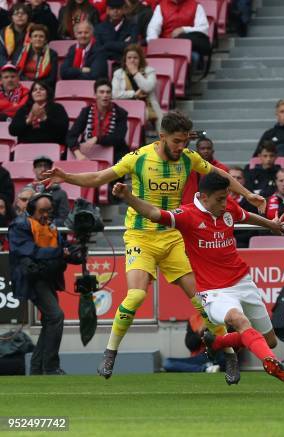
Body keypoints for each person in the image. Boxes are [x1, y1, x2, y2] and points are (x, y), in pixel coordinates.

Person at [42, 111, 266, 382]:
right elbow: (100, 177)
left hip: (173, 237)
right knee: (135, 297)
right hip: (140, 236)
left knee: (203, 301)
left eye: (185, 141)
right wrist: (66, 177)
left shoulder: (188, 158)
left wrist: (247, 194)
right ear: (162, 137)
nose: (182, 146)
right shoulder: (138, 158)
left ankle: (229, 356)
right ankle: (110, 353)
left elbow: (218, 174)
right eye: (176, 141)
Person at [112, 172, 284, 382]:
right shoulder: (187, 215)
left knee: (269, 340)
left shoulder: (227, 208)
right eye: (220, 199)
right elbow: (154, 213)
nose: (225, 204)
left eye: (226, 198)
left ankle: (217, 343)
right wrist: (128, 198)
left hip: (243, 282)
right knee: (239, 320)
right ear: (204, 197)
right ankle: (271, 362)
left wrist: (271, 225)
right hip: (213, 292)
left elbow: (245, 215)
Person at [8, 193, 79, 375]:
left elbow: (61, 248)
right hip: (32, 278)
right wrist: (59, 253)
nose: (46, 214)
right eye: (42, 211)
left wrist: (73, 253)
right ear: (31, 210)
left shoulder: (52, 227)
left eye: (49, 211)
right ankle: (51, 366)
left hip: (48, 277)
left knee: (50, 320)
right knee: (56, 316)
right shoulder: (20, 225)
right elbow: (30, 251)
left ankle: (37, 368)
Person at [66, 78, 128, 163]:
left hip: (115, 151)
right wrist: (78, 154)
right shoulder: (86, 111)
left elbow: (119, 137)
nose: (105, 95)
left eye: (108, 92)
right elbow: (71, 135)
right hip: (89, 150)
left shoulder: (120, 113)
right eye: (101, 92)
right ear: (95, 95)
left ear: (111, 95)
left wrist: (97, 139)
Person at [146, 0, 211, 70]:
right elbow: (153, 29)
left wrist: (183, 29)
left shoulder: (196, 6)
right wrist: (154, 45)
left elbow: (203, 29)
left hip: (187, 48)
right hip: (166, 47)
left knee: (194, 57)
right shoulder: (161, 6)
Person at [112, 44, 163, 132]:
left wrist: (135, 73)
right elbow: (114, 94)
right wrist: (134, 94)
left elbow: (147, 87)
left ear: (140, 59)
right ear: (125, 59)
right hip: (124, 106)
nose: (132, 60)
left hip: (147, 106)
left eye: (135, 58)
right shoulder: (118, 73)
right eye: (129, 58)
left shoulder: (149, 71)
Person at [9, 80, 69, 145]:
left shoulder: (57, 108)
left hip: (51, 147)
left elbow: (63, 129)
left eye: (42, 89)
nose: (38, 91)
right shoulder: (24, 109)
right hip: (26, 148)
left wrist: (45, 118)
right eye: (34, 90)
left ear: (48, 92)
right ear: (31, 94)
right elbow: (12, 131)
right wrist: (28, 120)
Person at [181, 134, 229, 203]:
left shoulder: (221, 168)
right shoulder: (188, 166)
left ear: (213, 151)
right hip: (188, 205)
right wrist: (185, 140)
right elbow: (177, 153)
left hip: (210, 206)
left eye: (208, 148)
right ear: (196, 151)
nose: (206, 151)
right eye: (202, 148)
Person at [24, 155, 69, 226]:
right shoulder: (26, 192)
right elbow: (18, 214)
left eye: (46, 166)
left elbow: (64, 219)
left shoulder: (61, 194)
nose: (43, 169)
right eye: (39, 166)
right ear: (34, 169)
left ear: (51, 170)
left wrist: (46, 224)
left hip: (51, 232)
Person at [14, 23, 58, 88]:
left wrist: (35, 85)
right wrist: (27, 83)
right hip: (22, 85)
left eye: (41, 36)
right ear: (31, 39)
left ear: (45, 40)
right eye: (35, 36)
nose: (38, 39)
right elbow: (16, 72)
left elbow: (52, 78)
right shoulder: (21, 51)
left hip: (43, 87)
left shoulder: (52, 54)